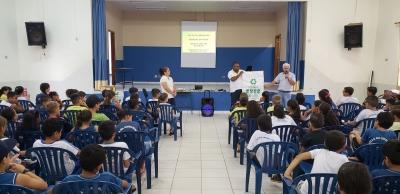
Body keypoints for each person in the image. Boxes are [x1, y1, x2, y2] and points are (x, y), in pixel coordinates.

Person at [50, 144, 135, 194]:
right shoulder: (107, 177)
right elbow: (125, 185)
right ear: (98, 166)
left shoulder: (69, 180)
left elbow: (52, 191)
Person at [284, 130, 349, 194]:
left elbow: (299, 157)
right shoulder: (344, 159)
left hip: (307, 191)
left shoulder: (319, 152)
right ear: (343, 147)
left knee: (298, 183)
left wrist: (287, 173)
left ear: (324, 143)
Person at [246, 114, 281, 182]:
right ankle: (279, 174)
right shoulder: (276, 137)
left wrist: (254, 154)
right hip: (275, 165)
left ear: (258, 126)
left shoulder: (256, 133)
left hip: (261, 163)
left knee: (252, 153)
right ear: (271, 126)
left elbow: (249, 149)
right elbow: (278, 153)